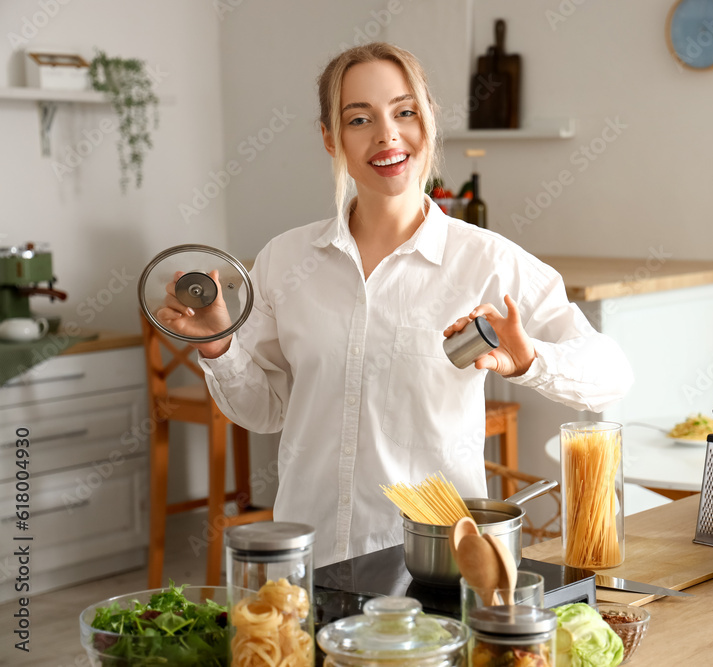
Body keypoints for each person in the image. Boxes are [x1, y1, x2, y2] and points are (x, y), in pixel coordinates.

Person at [157, 42, 633, 567]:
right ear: (329, 139)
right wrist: (221, 344)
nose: (386, 135)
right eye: (359, 119)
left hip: (434, 563)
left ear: (427, 122)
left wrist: (529, 360)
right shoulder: (284, 260)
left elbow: (611, 374)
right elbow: (266, 411)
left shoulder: (486, 261)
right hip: (310, 560)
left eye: (404, 112)